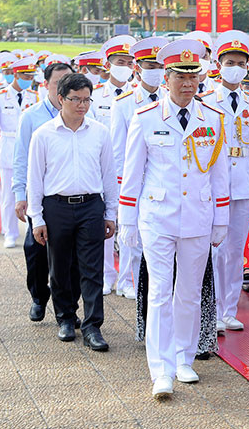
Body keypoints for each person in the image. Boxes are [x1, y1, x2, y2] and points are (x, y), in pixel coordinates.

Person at [117, 39, 230, 398]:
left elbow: (220, 175)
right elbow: (133, 173)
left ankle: (184, 358)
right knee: (160, 292)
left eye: (193, 77)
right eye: (180, 77)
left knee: (190, 293)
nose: (187, 84)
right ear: (166, 78)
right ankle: (161, 369)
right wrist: (126, 221)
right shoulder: (145, 117)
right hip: (158, 217)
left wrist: (221, 219)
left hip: (198, 216)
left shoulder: (213, 118)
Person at [27, 72, 118, 350]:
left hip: (91, 205)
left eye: (86, 100)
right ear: (60, 99)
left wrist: (110, 213)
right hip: (57, 207)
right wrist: (37, 218)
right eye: (75, 99)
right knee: (60, 267)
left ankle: (93, 326)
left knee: (92, 269)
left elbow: (109, 175)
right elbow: (35, 179)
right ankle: (66, 317)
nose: (82, 105)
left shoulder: (100, 132)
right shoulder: (43, 134)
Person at [199, 30, 249, 332]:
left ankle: (228, 309)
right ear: (218, 65)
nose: (235, 68)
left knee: (236, 249)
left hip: (243, 181)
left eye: (240, 63)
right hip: (215, 180)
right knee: (214, 249)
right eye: (230, 63)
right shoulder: (205, 100)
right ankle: (210, 309)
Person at [13, 59, 72, 322]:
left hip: (69, 196)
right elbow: (20, 158)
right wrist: (20, 196)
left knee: (69, 257)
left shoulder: (83, 113)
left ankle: (67, 308)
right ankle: (39, 297)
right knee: (36, 252)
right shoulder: (31, 116)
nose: (63, 89)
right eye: (59, 83)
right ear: (46, 84)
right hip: (39, 196)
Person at [111, 36, 169, 300]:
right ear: (137, 68)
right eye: (150, 66)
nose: (155, 71)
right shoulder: (124, 102)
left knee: (158, 236)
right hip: (134, 177)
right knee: (130, 234)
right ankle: (125, 280)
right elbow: (118, 149)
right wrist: (120, 185)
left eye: (160, 66)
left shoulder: (170, 97)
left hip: (161, 177)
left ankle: (153, 283)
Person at [95, 35, 137, 295]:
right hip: (101, 170)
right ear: (108, 64)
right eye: (120, 62)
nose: (125, 67)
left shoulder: (138, 95)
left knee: (131, 226)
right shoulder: (95, 96)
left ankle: (127, 279)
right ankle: (105, 275)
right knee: (105, 225)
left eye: (129, 62)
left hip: (132, 170)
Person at [0, 53, 39, 248]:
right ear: (15, 75)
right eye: (25, 76)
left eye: (31, 76)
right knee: (8, 195)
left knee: (33, 192)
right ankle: (10, 232)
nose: (28, 80)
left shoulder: (34, 96)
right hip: (8, 148)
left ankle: (33, 229)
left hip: (30, 149)